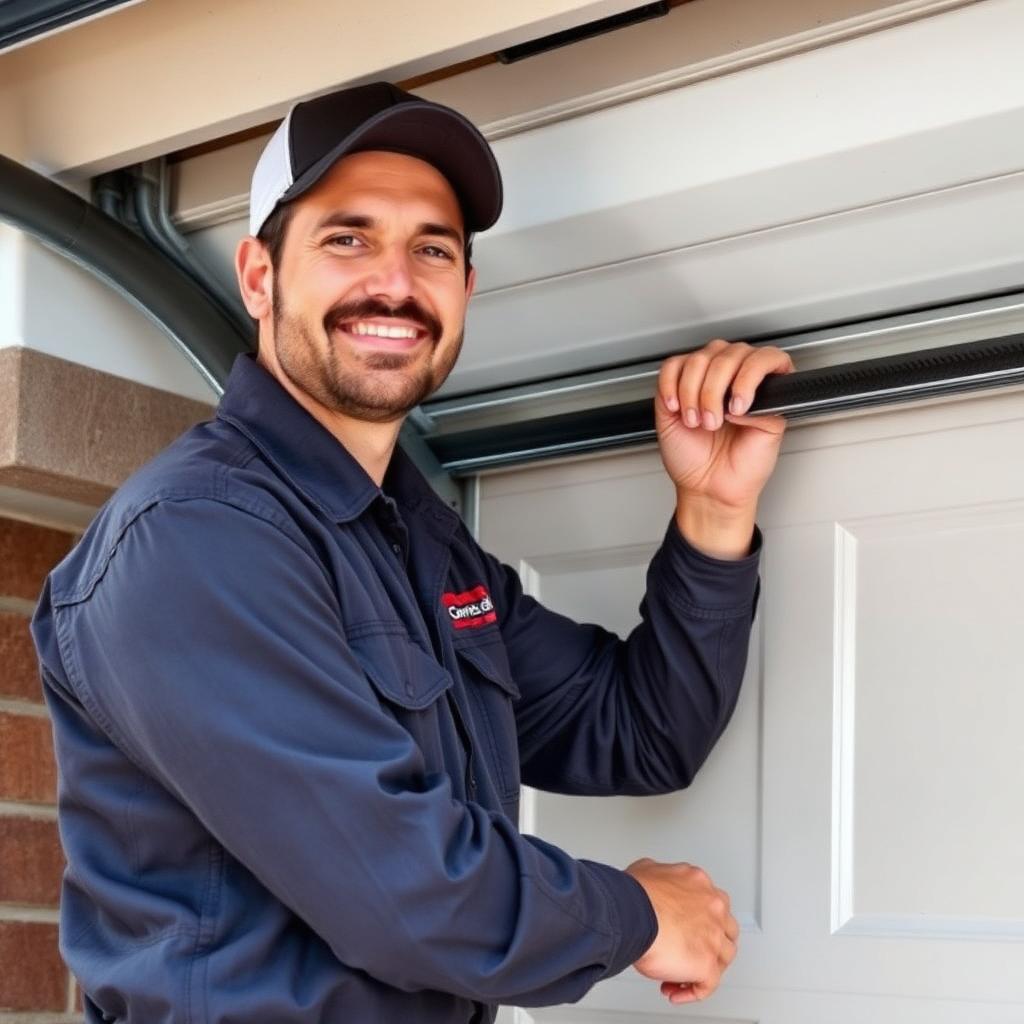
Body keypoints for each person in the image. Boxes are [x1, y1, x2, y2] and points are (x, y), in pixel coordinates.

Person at [31, 81, 794, 1023]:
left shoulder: (423, 547)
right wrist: (634, 914)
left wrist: (713, 515)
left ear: (465, 289)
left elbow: (637, 731)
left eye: (431, 248)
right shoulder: (196, 539)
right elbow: (400, 888)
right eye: (346, 238)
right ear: (260, 277)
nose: (394, 281)